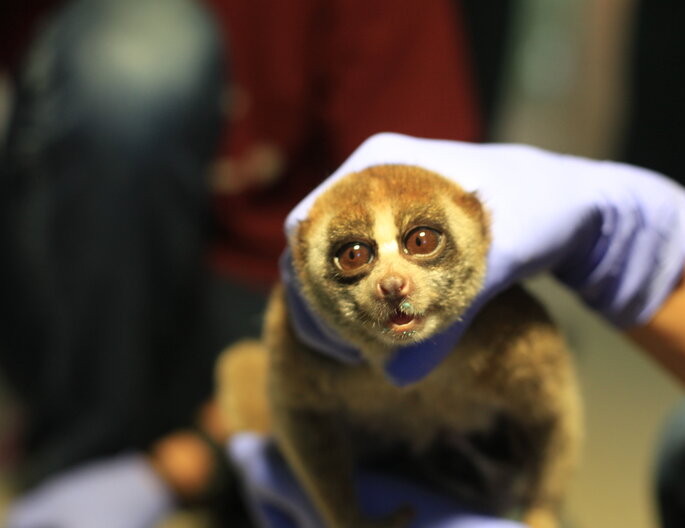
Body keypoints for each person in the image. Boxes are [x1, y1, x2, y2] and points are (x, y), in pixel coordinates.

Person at [0, 1, 481, 526]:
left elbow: (431, 269)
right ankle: (76, 460)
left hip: (271, 306)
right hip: (88, 300)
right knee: (139, 57)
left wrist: (184, 463)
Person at [230, 132, 685, 527]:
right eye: (354, 255)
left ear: (478, 224)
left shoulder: (508, 335)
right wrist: (343, 515)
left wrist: (543, 511)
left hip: (480, 462)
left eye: (421, 241)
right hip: (370, 452)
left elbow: (552, 415)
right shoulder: (297, 337)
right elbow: (297, 412)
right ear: (303, 262)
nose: (391, 280)